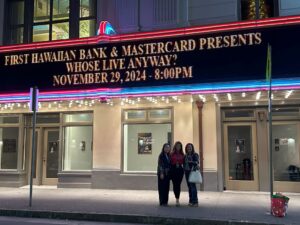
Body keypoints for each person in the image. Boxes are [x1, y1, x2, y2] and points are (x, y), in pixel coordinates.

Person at [170, 141, 185, 206]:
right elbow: (169, 162)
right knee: (174, 184)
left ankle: (177, 199)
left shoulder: (182, 154)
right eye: (177, 146)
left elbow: (184, 163)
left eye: (179, 146)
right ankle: (176, 197)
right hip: (173, 170)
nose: (178, 147)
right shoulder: (171, 154)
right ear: (175, 146)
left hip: (180, 171)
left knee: (178, 184)